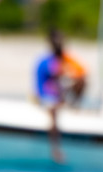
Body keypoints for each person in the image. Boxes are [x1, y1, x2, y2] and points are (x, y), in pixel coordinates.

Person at [33, 28, 87, 164]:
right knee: (54, 112)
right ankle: (55, 149)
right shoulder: (47, 61)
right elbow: (59, 73)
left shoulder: (58, 60)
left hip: (57, 96)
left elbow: (73, 74)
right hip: (46, 97)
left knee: (82, 81)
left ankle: (73, 105)